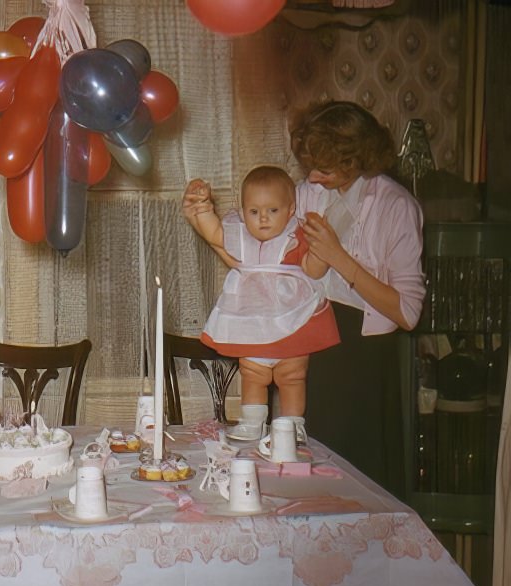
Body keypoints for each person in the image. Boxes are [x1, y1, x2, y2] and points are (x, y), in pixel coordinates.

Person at [289, 101, 425, 497]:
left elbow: (408, 313)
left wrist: (339, 259)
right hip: (311, 347)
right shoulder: (309, 192)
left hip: (362, 359)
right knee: (307, 479)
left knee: (361, 485)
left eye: (325, 168)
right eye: (310, 165)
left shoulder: (397, 207)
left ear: (357, 160)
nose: (313, 176)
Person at [182, 165, 340, 441]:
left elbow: (313, 270)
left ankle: (292, 425)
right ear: (243, 213)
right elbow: (214, 233)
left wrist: (322, 250)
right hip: (252, 316)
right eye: (254, 212)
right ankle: (252, 421)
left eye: (273, 211)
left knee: (292, 375)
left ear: (290, 211)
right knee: (252, 372)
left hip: (290, 315)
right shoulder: (238, 233)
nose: (263, 218)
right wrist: (203, 207)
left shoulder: (297, 235)